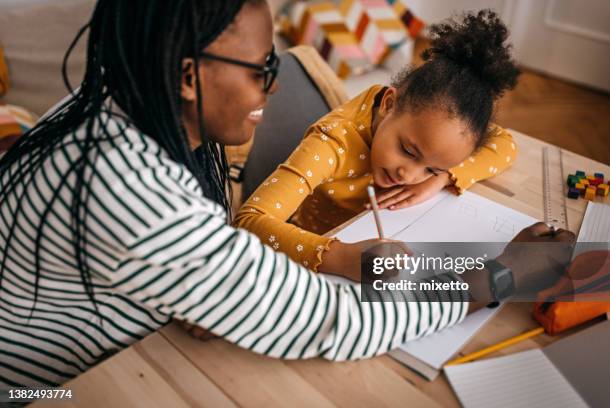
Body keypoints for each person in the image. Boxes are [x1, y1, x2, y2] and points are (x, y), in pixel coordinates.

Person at [0, 0, 573, 390]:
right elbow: (330, 319)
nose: (273, 85)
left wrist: (198, 291)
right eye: (260, 68)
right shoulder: (138, 198)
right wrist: (497, 276)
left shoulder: (108, 108)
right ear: (187, 75)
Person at [234, 11, 520, 280]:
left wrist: (443, 178)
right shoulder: (332, 143)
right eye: (408, 151)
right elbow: (249, 221)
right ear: (388, 103)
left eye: (430, 169)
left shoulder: (436, 123)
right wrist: (343, 257)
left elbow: (506, 143)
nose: (409, 176)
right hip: (316, 259)